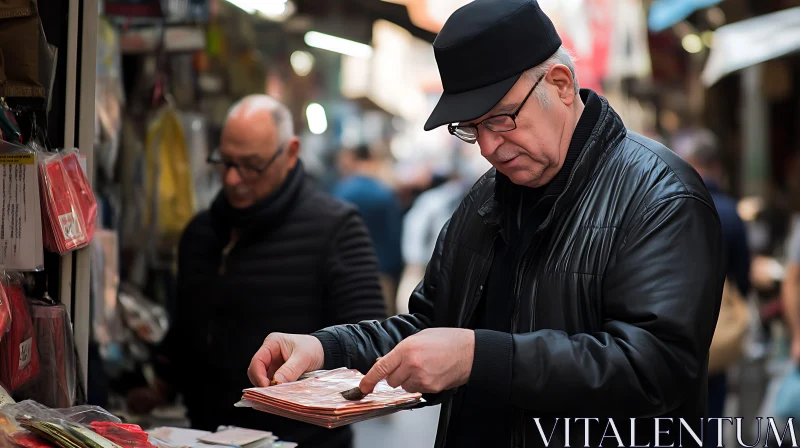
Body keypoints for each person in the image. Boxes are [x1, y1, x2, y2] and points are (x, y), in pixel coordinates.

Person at [248, 1, 725, 446]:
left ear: (560, 84)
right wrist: (325, 349)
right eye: (473, 128)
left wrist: (479, 358)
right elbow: (431, 329)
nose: (488, 148)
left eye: (501, 119)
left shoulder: (660, 195)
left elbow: (655, 369)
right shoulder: (485, 197)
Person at [127, 95, 386, 448]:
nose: (233, 179)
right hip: (205, 436)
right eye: (226, 162)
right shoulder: (200, 233)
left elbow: (365, 342)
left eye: (251, 165)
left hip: (302, 441)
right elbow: (189, 327)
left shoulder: (336, 228)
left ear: (291, 152)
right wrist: (160, 384)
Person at [673, 128, 752, 447]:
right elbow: (743, 278)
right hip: (716, 330)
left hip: (671, 326)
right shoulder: (732, 213)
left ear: (689, 162)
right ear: (716, 165)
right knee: (712, 410)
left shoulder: (671, 201)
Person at [333, 145, 404, 314]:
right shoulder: (384, 193)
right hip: (382, 273)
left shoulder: (341, 191)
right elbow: (394, 237)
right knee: (383, 329)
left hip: (347, 274)